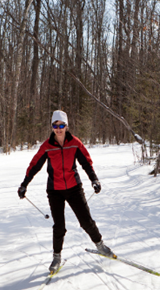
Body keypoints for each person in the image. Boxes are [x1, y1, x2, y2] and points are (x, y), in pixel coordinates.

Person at [18, 110, 113, 274]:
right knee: (59, 226)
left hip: (74, 187)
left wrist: (94, 179)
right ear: (52, 127)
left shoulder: (75, 143)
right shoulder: (47, 146)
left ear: (66, 126)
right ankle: (56, 257)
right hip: (55, 190)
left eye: (61, 125)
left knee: (86, 221)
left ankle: (100, 245)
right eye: (55, 125)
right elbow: (35, 165)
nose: (58, 128)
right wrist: (24, 184)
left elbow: (86, 162)